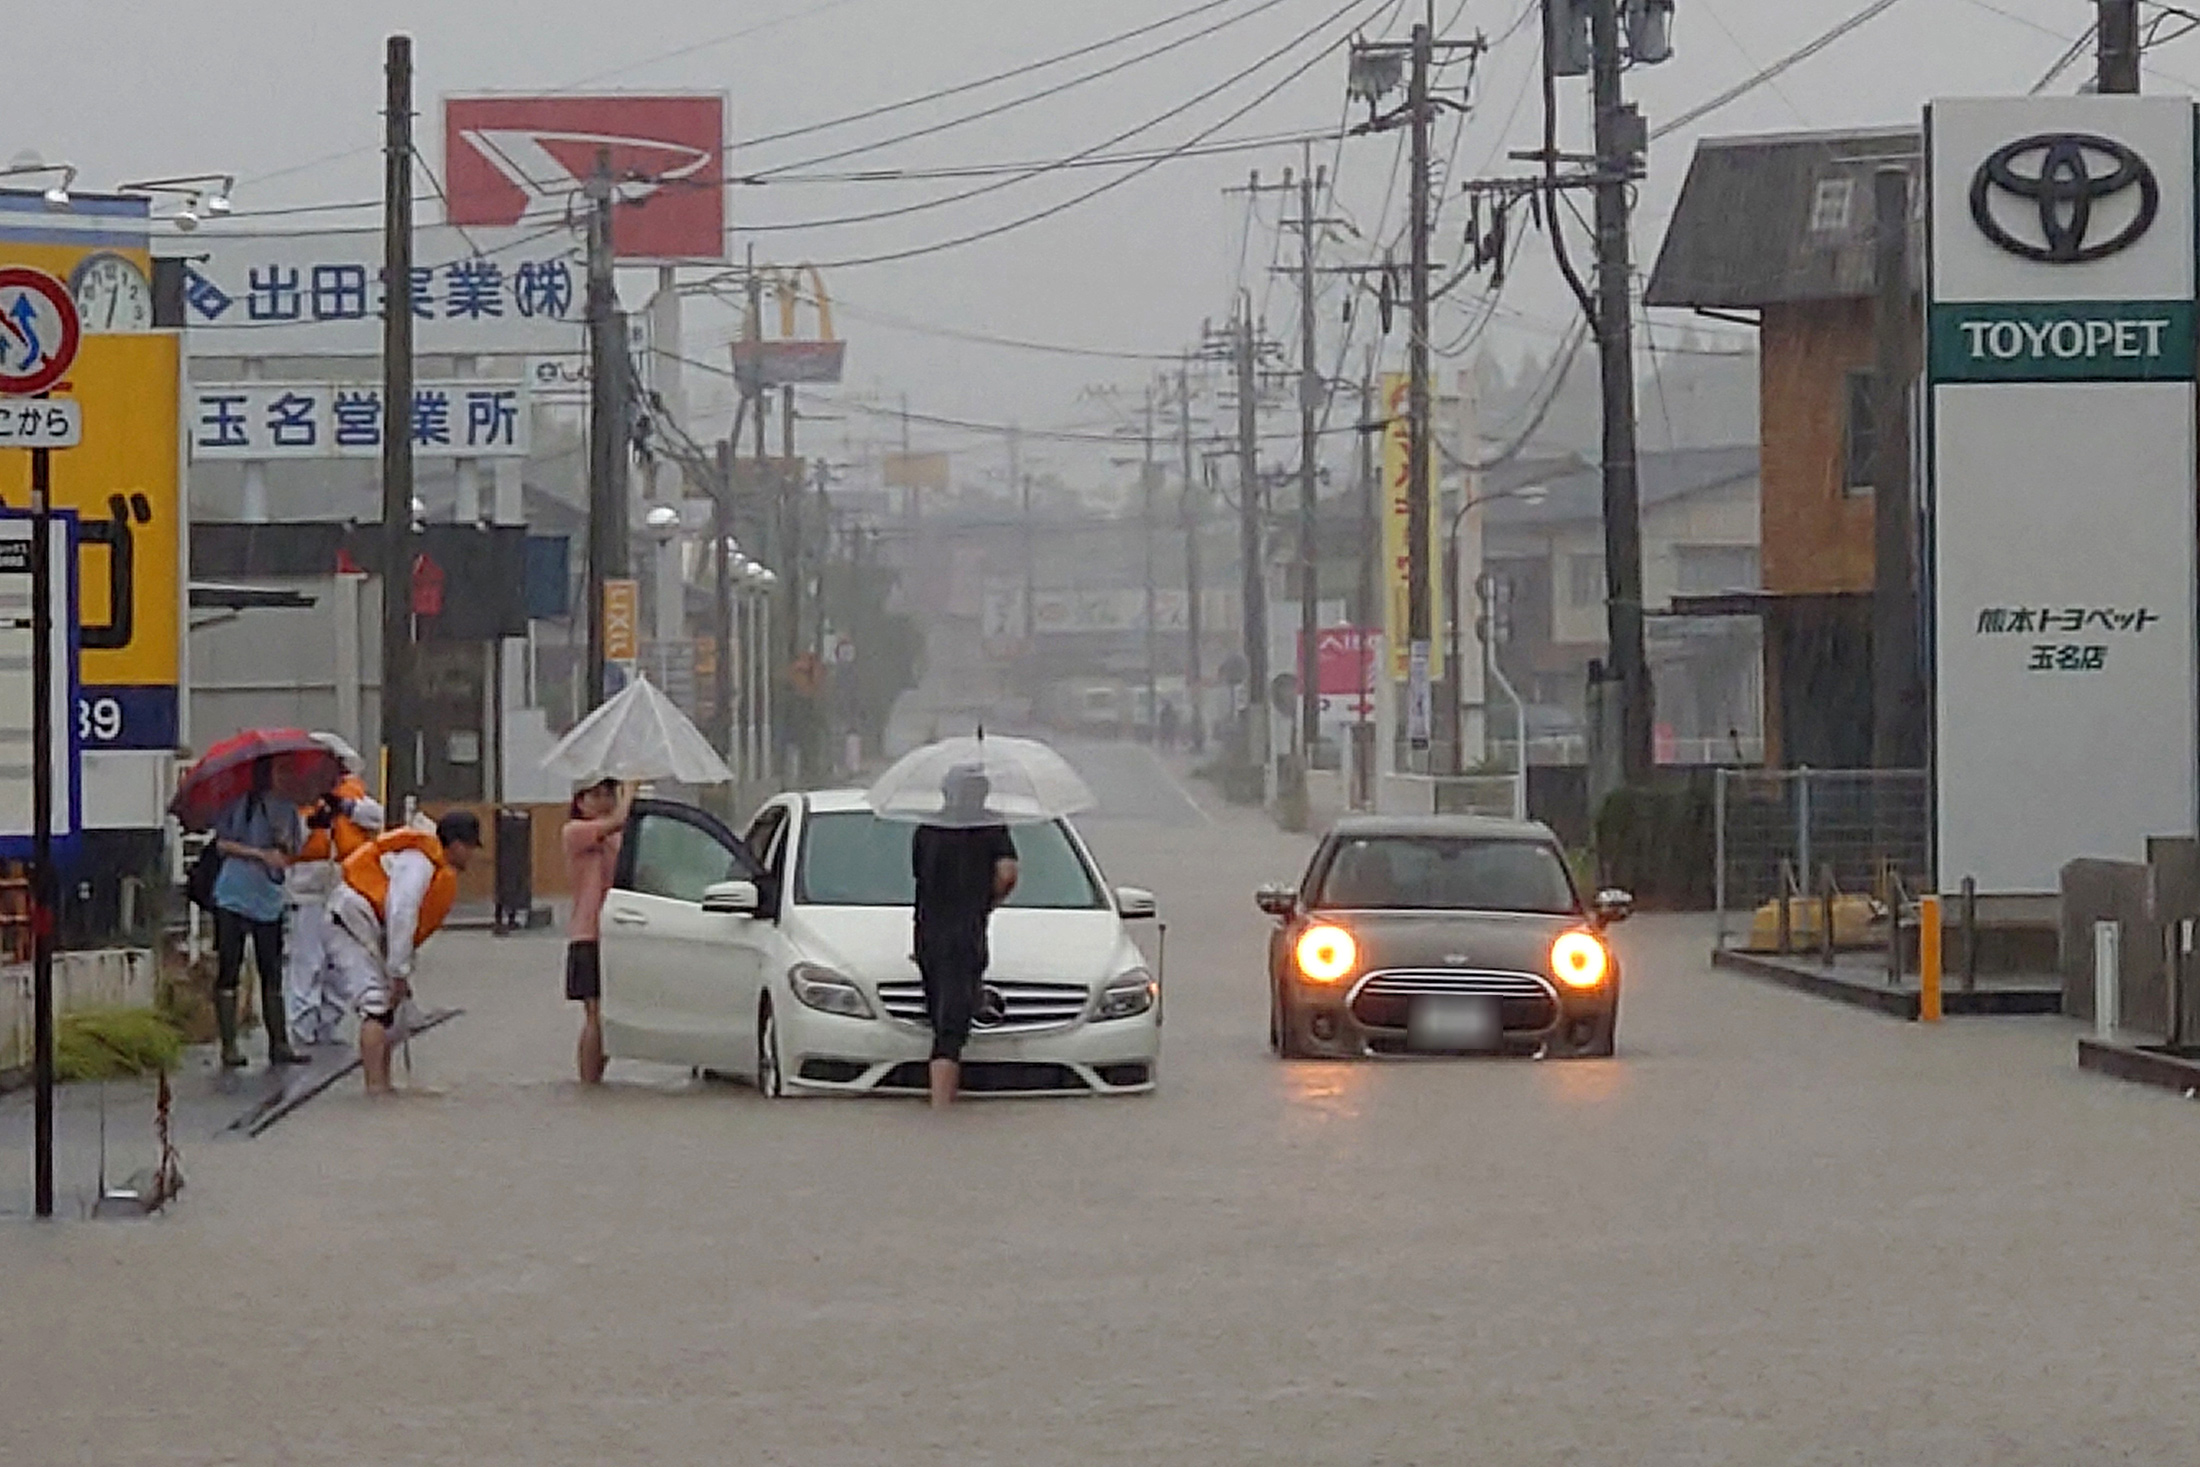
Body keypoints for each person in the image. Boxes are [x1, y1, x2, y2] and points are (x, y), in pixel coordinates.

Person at [326, 811, 482, 1096]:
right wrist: (398, 971)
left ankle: (385, 1085)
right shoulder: (418, 862)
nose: (472, 854)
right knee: (376, 1003)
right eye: (470, 847)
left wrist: (401, 970)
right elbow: (401, 912)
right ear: (457, 844)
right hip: (350, 924)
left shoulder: (432, 863)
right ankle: (375, 1089)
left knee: (394, 1012)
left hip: (373, 928)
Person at [910, 766, 1019, 1109]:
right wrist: (989, 900)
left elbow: (920, 878)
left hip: (927, 934)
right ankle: (942, 1110)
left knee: (939, 1013)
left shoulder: (926, 830)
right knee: (950, 1031)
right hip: (966, 934)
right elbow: (1007, 874)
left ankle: (939, 1104)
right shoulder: (991, 827)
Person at [284, 738, 385, 1048]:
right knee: (308, 959)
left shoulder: (352, 795)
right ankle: (302, 1028)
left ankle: (327, 1025)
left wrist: (344, 807)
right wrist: (313, 822)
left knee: (340, 962)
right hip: (307, 885)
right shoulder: (297, 797)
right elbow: (288, 837)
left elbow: (376, 817)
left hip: (344, 883)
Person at [210, 761, 308, 1068]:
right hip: (233, 895)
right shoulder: (236, 804)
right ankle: (229, 1045)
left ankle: (279, 1042)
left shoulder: (286, 808)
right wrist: (259, 853)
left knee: (272, 969)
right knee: (230, 966)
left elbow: (293, 847)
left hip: (269, 897)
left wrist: (282, 843)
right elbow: (222, 844)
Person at [562, 778, 633, 1085]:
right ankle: (589, 1083)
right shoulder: (575, 832)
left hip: (617, 930)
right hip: (588, 934)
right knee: (595, 1013)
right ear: (580, 801)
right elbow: (618, 821)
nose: (604, 799)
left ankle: (596, 1082)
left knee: (609, 1014)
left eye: (609, 793)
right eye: (597, 794)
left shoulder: (616, 837)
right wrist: (630, 792)